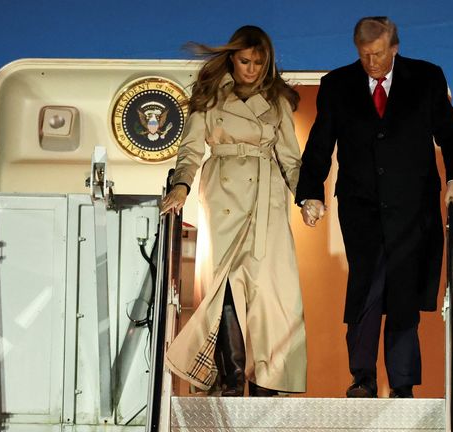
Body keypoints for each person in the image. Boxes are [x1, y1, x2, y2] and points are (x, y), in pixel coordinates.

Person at [295, 16, 453, 398]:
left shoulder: (426, 79)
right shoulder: (337, 85)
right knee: (367, 286)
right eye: (363, 55)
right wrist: (311, 193)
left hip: (412, 207)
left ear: (394, 47)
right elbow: (319, 145)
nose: (371, 62)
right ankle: (363, 377)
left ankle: (403, 384)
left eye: (377, 54)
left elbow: (452, 136)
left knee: (403, 290)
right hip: (361, 207)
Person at [160, 25, 306, 397]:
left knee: (270, 293)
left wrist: (307, 197)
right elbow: (191, 149)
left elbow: (291, 158)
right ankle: (229, 377)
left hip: (266, 199)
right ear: (231, 58)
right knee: (223, 289)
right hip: (223, 191)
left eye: (259, 62)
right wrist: (181, 185)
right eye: (245, 60)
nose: (252, 69)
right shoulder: (209, 95)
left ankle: (266, 382)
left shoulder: (276, 101)